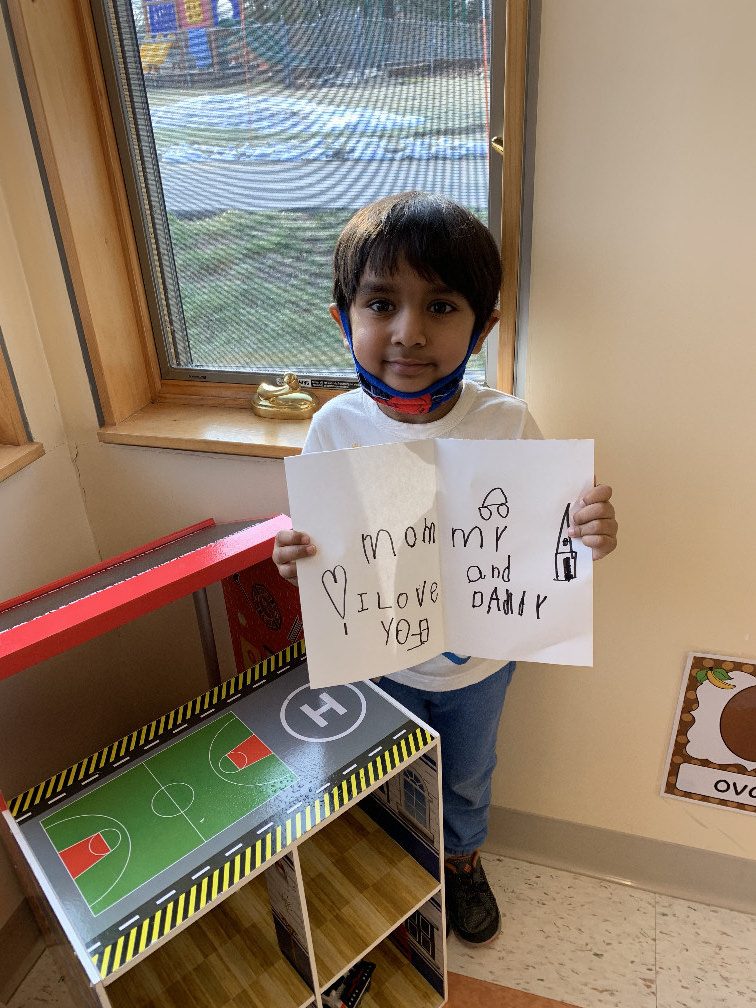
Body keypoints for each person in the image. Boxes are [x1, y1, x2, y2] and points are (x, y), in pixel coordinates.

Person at [273, 192, 618, 946]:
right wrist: (294, 559)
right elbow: (324, 550)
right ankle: (396, 857)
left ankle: (460, 860)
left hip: (477, 668)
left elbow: (551, 538)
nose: (408, 331)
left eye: (440, 304)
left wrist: (589, 534)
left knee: (466, 770)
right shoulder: (333, 425)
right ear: (345, 318)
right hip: (376, 657)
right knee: (378, 769)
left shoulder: (508, 422)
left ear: (482, 325)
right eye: (380, 302)